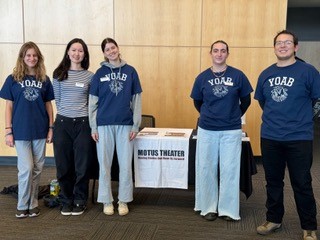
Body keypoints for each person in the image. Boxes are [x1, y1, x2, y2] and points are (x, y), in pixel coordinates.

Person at [254, 30, 320, 240]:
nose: (283, 46)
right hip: (271, 137)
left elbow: (318, 101)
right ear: (274, 47)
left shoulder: (308, 71)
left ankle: (309, 226)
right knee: (273, 181)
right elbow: (264, 102)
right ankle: (274, 219)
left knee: (302, 182)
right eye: (279, 43)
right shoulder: (265, 74)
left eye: (287, 42)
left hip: (299, 138)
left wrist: (305, 120)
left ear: (295, 47)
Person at [190, 40, 253, 221]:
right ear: (210, 53)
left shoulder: (238, 75)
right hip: (207, 129)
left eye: (223, 51)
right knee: (206, 168)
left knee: (230, 169)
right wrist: (210, 115)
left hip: (231, 130)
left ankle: (228, 210)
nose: (219, 54)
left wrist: (233, 115)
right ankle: (208, 207)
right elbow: (198, 102)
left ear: (227, 53)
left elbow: (246, 101)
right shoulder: (201, 77)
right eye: (216, 51)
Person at [89, 37, 142, 216]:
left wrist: (136, 125)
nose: (111, 51)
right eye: (107, 49)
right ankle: (106, 200)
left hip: (125, 125)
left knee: (126, 165)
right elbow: (92, 103)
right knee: (104, 165)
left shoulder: (130, 71)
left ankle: (123, 201)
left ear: (118, 48)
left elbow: (136, 100)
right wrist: (93, 127)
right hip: (103, 125)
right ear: (104, 53)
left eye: (113, 47)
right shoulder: (99, 73)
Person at [0, 41, 54, 218]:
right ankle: (22, 204)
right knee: (27, 168)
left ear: (39, 58)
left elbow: (48, 106)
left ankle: (33, 204)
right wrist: (8, 130)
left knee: (38, 168)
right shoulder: (13, 79)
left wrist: (51, 128)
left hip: (40, 129)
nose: (31, 58)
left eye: (34, 55)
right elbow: (8, 107)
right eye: (28, 55)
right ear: (22, 57)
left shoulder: (44, 80)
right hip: (21, 131)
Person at [52, 38, 96, 216]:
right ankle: (65, 199)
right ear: (68, 52)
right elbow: (58, 100)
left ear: (84, 54)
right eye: (74, 50)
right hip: (63, 123)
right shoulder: (58, 74)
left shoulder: (90, 76)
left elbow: (90, 102)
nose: (77, 54)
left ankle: (79, 199)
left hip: (83, 123)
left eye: (81, 51)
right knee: (63, 165)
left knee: (82, 165)